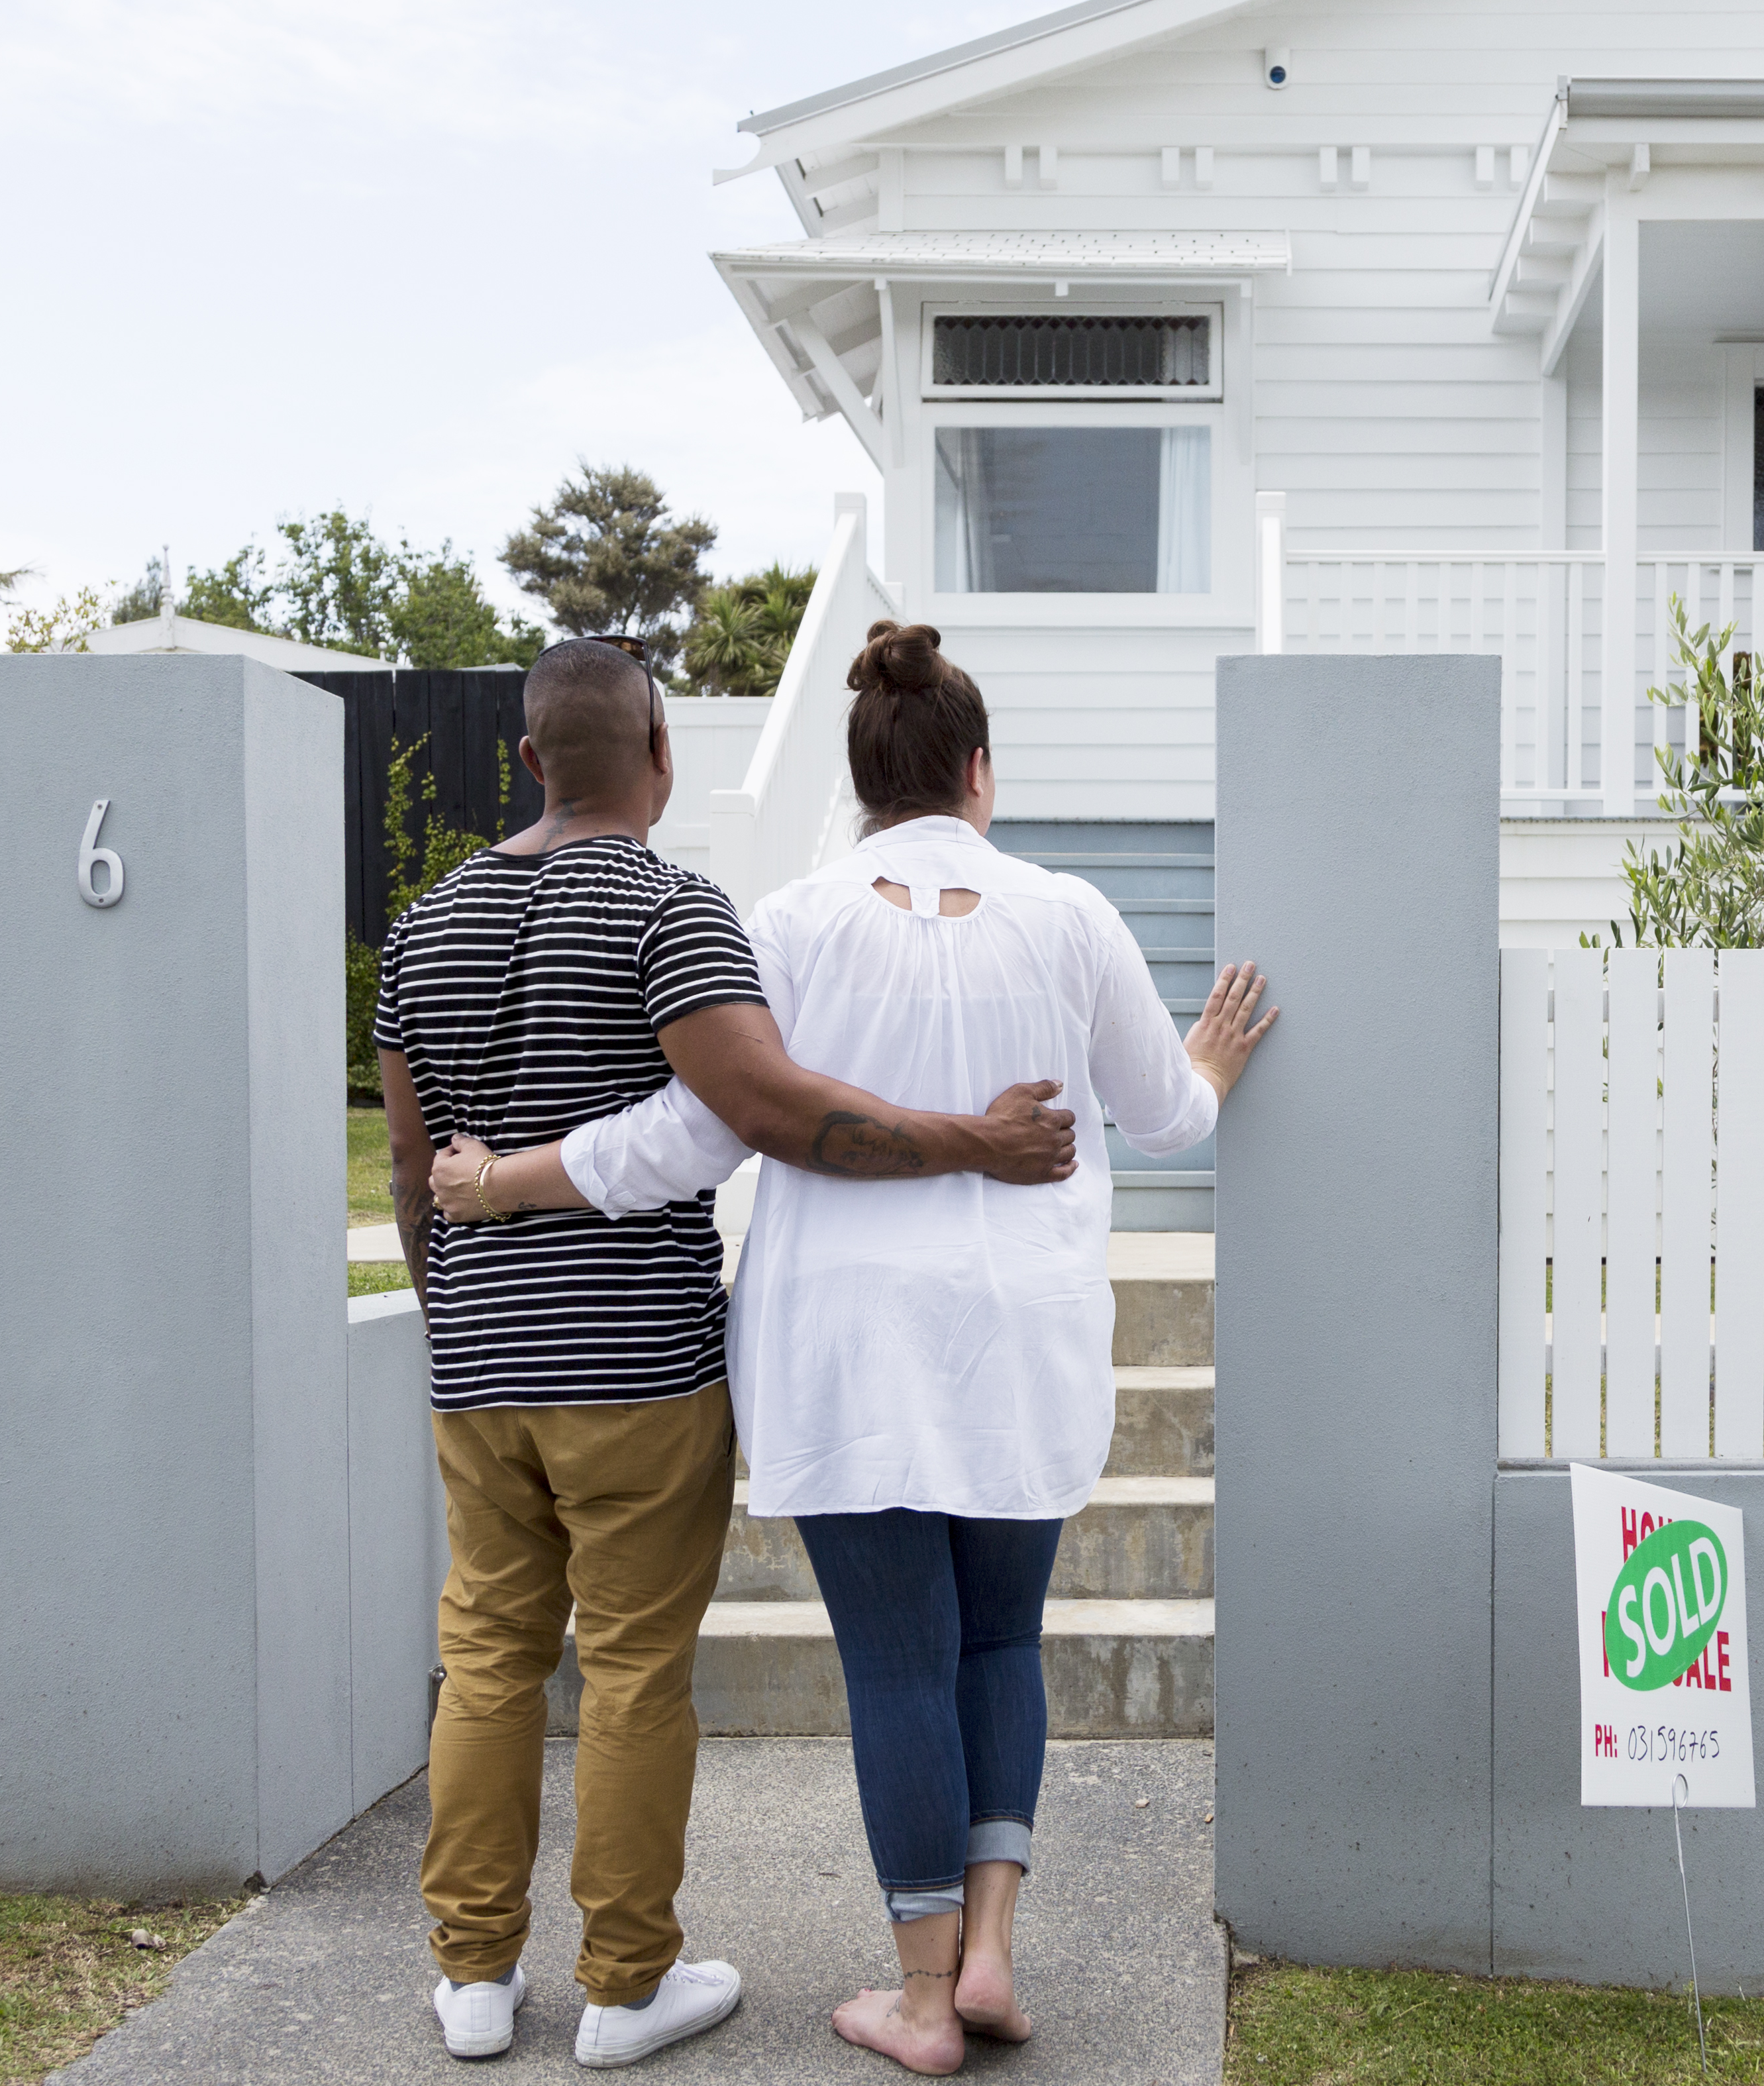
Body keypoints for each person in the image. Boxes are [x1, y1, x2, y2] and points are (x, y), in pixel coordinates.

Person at [430, 621, 1277, 2078]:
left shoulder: (788, 925)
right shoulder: (1071, 916)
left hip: (845, 1348)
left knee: (899, 1666)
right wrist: (1209, 1057)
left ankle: (926, 2000)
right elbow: (1167, 1114)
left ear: (865, 776)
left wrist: (506, 1178)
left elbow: (690, 1135)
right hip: (1022, 1339)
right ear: (979, 772)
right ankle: (993, 1954)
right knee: (1004, 1640)